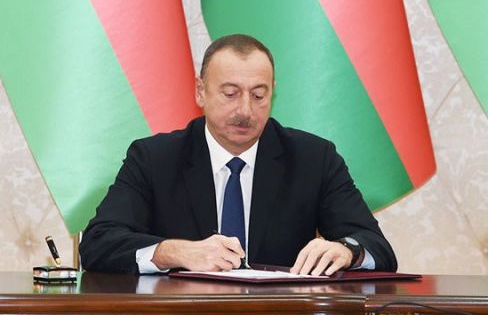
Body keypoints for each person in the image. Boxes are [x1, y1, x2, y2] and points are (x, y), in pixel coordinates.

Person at [80, 34, 397, 275]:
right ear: (201, 91)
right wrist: (171, 252)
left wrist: (346, 251)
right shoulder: (155, 158)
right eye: (230, 94)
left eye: (258, 95)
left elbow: (377, 247)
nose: (245, 110)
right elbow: (97, 243)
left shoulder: (313, 158)